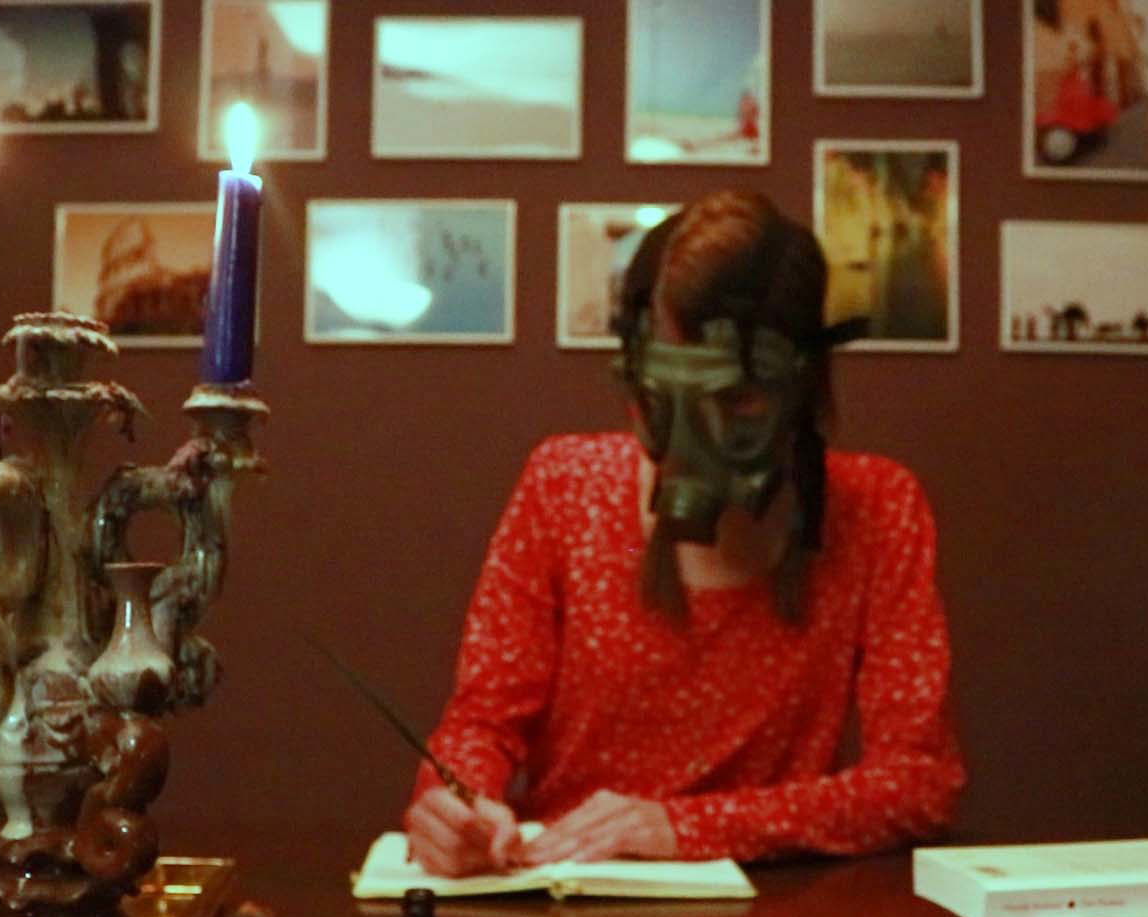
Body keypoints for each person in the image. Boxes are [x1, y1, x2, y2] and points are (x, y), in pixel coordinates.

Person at [403, 190, 963, 876]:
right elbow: (481, 724)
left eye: (737, 400)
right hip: (566, 897)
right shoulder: (565, 487)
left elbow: (919, 783)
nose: (695, 440)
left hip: (769, 913)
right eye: (667, 397)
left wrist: (682, 827)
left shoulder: (875, 510)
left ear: (801, 387)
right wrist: (456, 807)